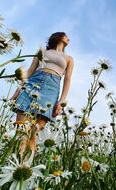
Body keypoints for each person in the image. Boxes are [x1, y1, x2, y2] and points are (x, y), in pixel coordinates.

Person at [10, 32, 74, 161]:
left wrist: (61, 101)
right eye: (65, 36)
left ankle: (26, 166)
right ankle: (13, 164)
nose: (68, 38)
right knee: (21, 130)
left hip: (51, 89)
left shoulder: (69, 58)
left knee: (34, 134)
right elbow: (30, 71)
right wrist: (18, 90)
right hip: (34, 82)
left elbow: (67, 80)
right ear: (58, 37)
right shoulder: (42, 51)